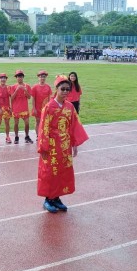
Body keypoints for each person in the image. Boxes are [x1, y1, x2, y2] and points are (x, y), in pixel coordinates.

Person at [38, 75, 89, 213]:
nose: (66, 92)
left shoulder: (70, 107)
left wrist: (74, 143)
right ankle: (48, 199)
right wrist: (43, 147)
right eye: (63, 89)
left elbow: (74, 126)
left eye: (68, 89)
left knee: (62, 171)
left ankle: (57, 198)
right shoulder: (48, 107)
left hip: (65, 145)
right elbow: (43, 128)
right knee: (50, 172)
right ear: (57, 89)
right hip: (52, 146)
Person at [9, 70, 33, 144]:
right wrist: (17, 90)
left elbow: (29, 97)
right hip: (16, 108)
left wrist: (25, 90)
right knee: (16, 123)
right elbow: (12, 98)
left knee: (27, 123)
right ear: (16, 78)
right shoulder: (13, 87)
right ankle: (16, 137)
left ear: (23, 77)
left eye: (21, 76)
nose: (20, 78)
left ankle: (27, 136)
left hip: (24, 108)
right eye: (18, 77)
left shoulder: (27, 86)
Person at [31, 70, 53, 137]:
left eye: (44, 77)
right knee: (38, 122)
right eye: (41, 77)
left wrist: (49, 107)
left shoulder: (48, 87)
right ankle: (38, 135)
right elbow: (33, 98)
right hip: (37, 108)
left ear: (45, 77)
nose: (42, 78)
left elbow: (49, 98)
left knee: (45, 122)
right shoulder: (35, 87)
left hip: (45, 108)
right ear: (38, 77)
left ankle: (44, 134)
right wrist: (34, 108)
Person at [0, 73, 12, 144]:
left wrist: (11, 107)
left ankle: (7, 136)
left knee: (7, 123)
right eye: (1, 78)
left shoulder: (9, 88)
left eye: (4, 78)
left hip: (7, 107)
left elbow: (11, 98)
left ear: (6, 79)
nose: (3, 79)